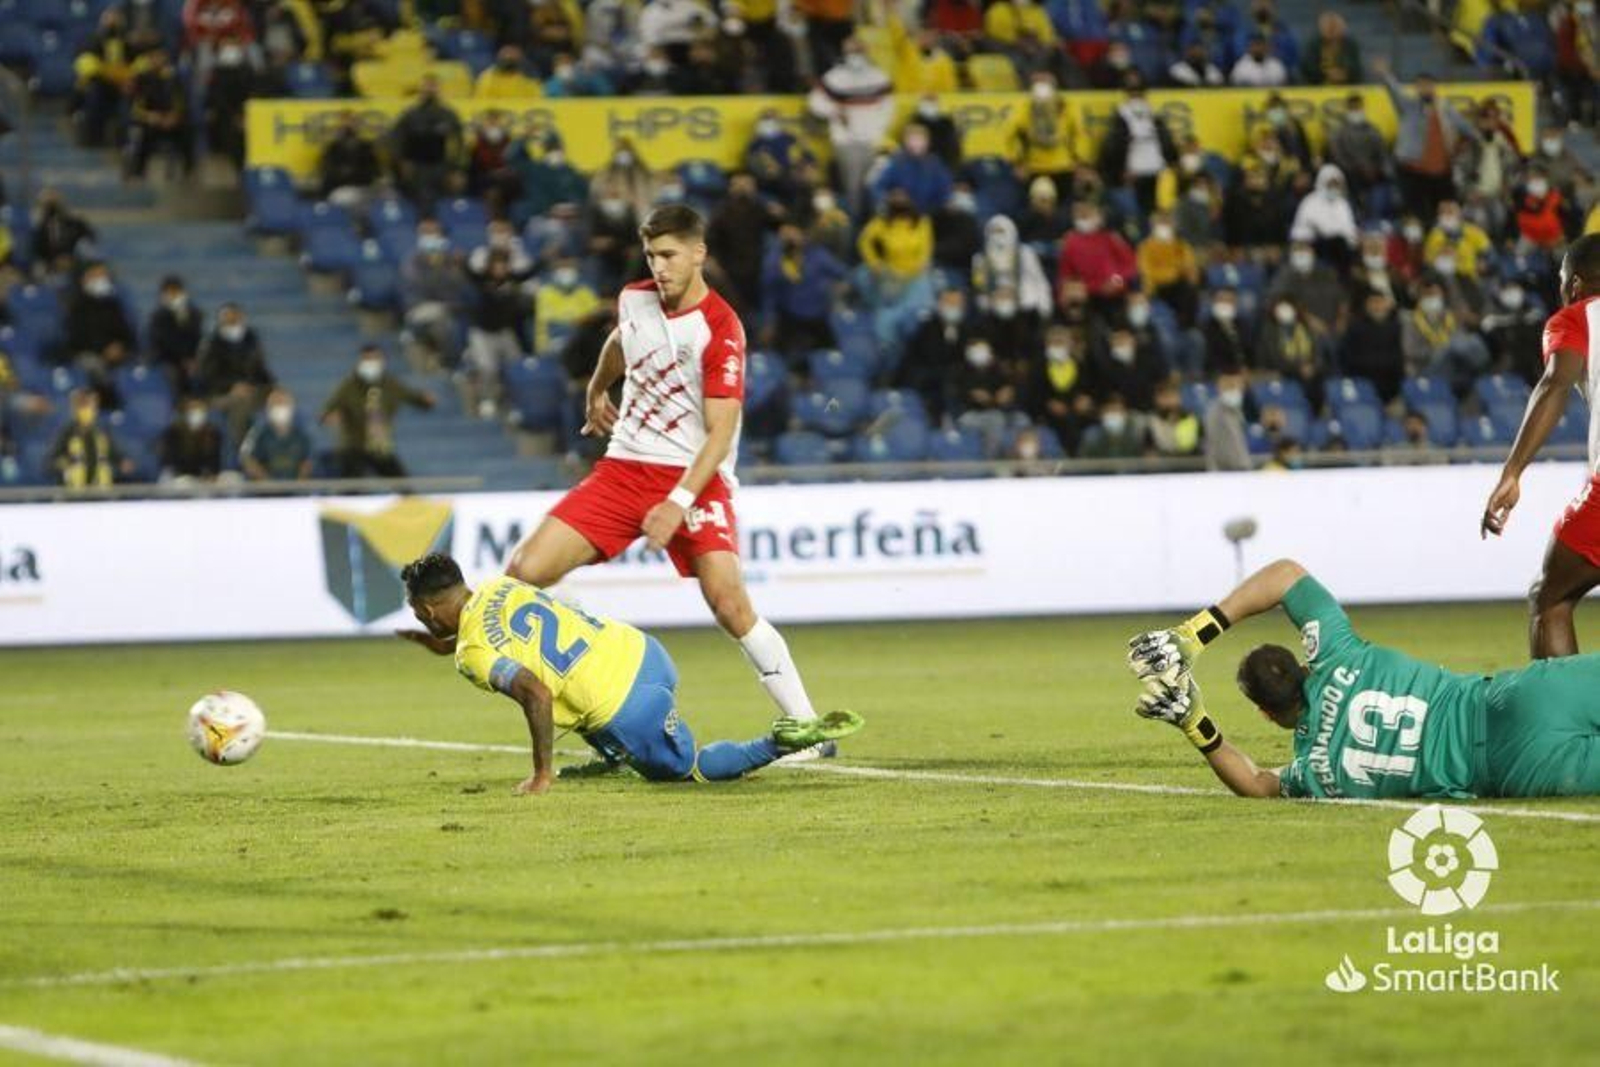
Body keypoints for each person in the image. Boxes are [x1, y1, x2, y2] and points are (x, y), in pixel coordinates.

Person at [402, 205, 839, 748]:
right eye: (652, 254)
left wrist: (678, 502)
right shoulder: (635, 297)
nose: (659, 266)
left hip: (693, 476)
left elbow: (721, 434)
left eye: (670, 254)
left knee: (729, 604)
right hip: (624, 470)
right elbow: (620, 341)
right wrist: (596, 388)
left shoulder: (720, 329)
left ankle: (809, 729)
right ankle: (585, 710)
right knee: (521, 574)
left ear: (699, 253)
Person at [1127, 557, 1600, 799]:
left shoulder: (1317, 769)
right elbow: (1286, 575)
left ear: (1267, 714)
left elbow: (1256, 784)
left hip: (1515, 767)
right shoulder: (1337, 653)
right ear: (1303, 662)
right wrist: (1192, 635)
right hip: (1519, 697)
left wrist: (1196, 723)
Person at [400, 554, 864, 793]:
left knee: (688, 771)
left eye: (418, 614)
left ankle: (785, 739)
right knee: (574, 686)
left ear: (424, 608)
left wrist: (542, 774)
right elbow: (497, 638)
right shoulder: (501, 585)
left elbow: (535, 693)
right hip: (645, 653)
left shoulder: (471, 653)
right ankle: (615, 758)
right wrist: (440, 643)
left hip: (627, 709)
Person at [1481, 235, 1600, 658]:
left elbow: (1555, 385)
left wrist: (1512, 472)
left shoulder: (1577, 317)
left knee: (1549, 598)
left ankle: (1560, 725)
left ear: (1575, 284)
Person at [1376, 59, 1477, 221]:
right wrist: (1385, 75)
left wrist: (1462, 145)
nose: (1424, 88)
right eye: (1420, 85)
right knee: (1418, 216)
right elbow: (1394, 91)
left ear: (1434, 86)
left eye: (1428, 84)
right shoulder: (1408, 105)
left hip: (1441, 172)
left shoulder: (1445, 108)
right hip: (1413, 171)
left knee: (1445, 213)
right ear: (1416, 88)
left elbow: (1468, 130)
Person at [808, 38, 895, 217]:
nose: (855, 55)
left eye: (858, 51)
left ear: (866, 51)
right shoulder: (835, 76)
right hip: (845, 141)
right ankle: (854, 228)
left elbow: (888, 106)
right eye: (851, 51)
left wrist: (877, 130)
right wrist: (834, 111)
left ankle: (871, 223)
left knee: (873, 187)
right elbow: (814, 102)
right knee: (852, 190)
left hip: (872, 140)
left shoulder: (879, 76)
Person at [321, 345, 435, 478]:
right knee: (351, 488)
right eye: (367, 359)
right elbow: (328, 410)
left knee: (402, 484)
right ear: (360, 362)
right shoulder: (348, 386)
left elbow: (412, 397)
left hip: (380, 446)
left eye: (375, 359)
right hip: (354, 446)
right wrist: (330, 416)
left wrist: (425, 401)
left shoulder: (391, 384)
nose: (372, 363)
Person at [195, 302, 274, 442]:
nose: (232, 323)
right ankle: (241, 448)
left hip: (250, 390)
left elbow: (260, 370)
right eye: (228, 319)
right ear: (220, 321)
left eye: (235, 318)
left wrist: (273, 388)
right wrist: (233, 387)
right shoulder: (211, 345)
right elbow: (207, 377)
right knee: (240, 403)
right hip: (219, 394)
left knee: (280, 399)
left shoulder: (251, 339)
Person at [389, 75, 463, 211]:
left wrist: (455, 169)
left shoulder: (448, 114)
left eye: (433, 86)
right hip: (415, 165)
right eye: (426, 86)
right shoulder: (410, 114)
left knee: (444, 202)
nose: (429, 90)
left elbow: (458, 142)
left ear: (439, 89)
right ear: (420, 89)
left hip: (440, 165)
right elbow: (396, 139)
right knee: (419, 200)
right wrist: (402, 162)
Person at [125, 49, 194, 179]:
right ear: (149, 60)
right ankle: (138, 171)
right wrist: (149, 116)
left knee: (187, 131)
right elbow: (135, 106)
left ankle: (188, 170)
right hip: (149, 119)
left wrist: (174, 116)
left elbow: (180, 101)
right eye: (154, 58)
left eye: (160, 57)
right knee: (143, 135)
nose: (157, 60)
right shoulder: (141, 78)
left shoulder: (173, 78)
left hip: (170, 119)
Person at [50, 389, 132, 489]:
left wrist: (122, 462)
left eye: (90, 404)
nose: (87, 409)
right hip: (73, 492)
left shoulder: (102, 430)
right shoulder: (67, 431)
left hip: (100, 490)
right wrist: (66, 464)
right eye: (82, 405)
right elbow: (51, 461)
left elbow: (114, 453)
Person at [239, 387, 313, 481]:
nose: (279, 408)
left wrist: (297, 486)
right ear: (268, 408)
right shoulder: (259, 433)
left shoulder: (302, 434)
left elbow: (308, 462)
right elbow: (247, 459)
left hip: (295, 490)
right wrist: (268, 483)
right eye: (275, 404)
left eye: (283, 404)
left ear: (292, 407)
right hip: (266, 490)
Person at [146, 275, 204, 393]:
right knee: (171, 375)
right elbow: (163, 341)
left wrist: (192, 359)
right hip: (165, 360)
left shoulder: (194, 313)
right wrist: (183, 359)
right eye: (169, 292)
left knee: (201, 373)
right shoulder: (158, 316)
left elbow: (196, 337)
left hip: (190, 359)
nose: (173, 295)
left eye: (176, 291)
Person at [159, 398, 222, 481]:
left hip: (202, 478)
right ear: (185, 412)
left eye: (200, 409)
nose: (197, 412)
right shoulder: (174, 432)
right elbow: (170, 460)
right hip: (177, 475)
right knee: (183, 482)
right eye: (193, 409)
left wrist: (211, 474)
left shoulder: (212, 433)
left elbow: (214, 461)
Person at [1203, 371, 1251, 472]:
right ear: (1219, 386)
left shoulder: (1240, 408)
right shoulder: (1214, 411)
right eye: (1228, 385)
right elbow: (1216, 445)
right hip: (1225, 471)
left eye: (1235, 384)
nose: (1232, 388)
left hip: (1240, 469)